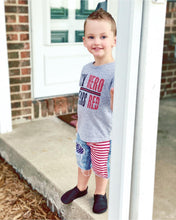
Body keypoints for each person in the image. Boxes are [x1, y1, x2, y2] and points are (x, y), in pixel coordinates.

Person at [61, 8, 116, 214]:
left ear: (114, 40)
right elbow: (83, 98)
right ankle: (81, 188)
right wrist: (78, 123)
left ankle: (100, 193)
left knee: (101, 166)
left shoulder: (116, 71)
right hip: (83, 130)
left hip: (103, 134)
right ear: (84, 41)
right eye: (91, 37)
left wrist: (114, 96)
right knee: (82, 161)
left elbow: (116, 109)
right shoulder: (86, 68)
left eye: (103, 36)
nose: (97, 41)